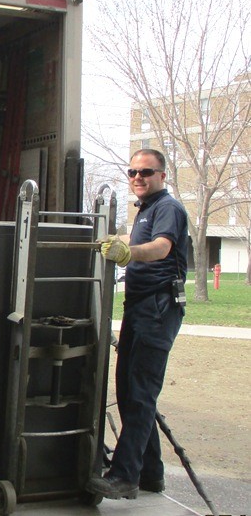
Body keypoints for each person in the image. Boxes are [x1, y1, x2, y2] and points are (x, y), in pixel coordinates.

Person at [87, 148, 188, 500]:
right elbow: (135, 242)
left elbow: (160, 248)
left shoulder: (168, 208)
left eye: (146, 172)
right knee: (131, 392)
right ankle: (150, 474)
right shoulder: (146, 210)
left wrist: (129, 253)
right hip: (139, 307)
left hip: (159, 307)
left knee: (141, 393)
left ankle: (124, 476)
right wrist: (110, 242)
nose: (138, 178)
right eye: (132, 172)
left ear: (162, 175)